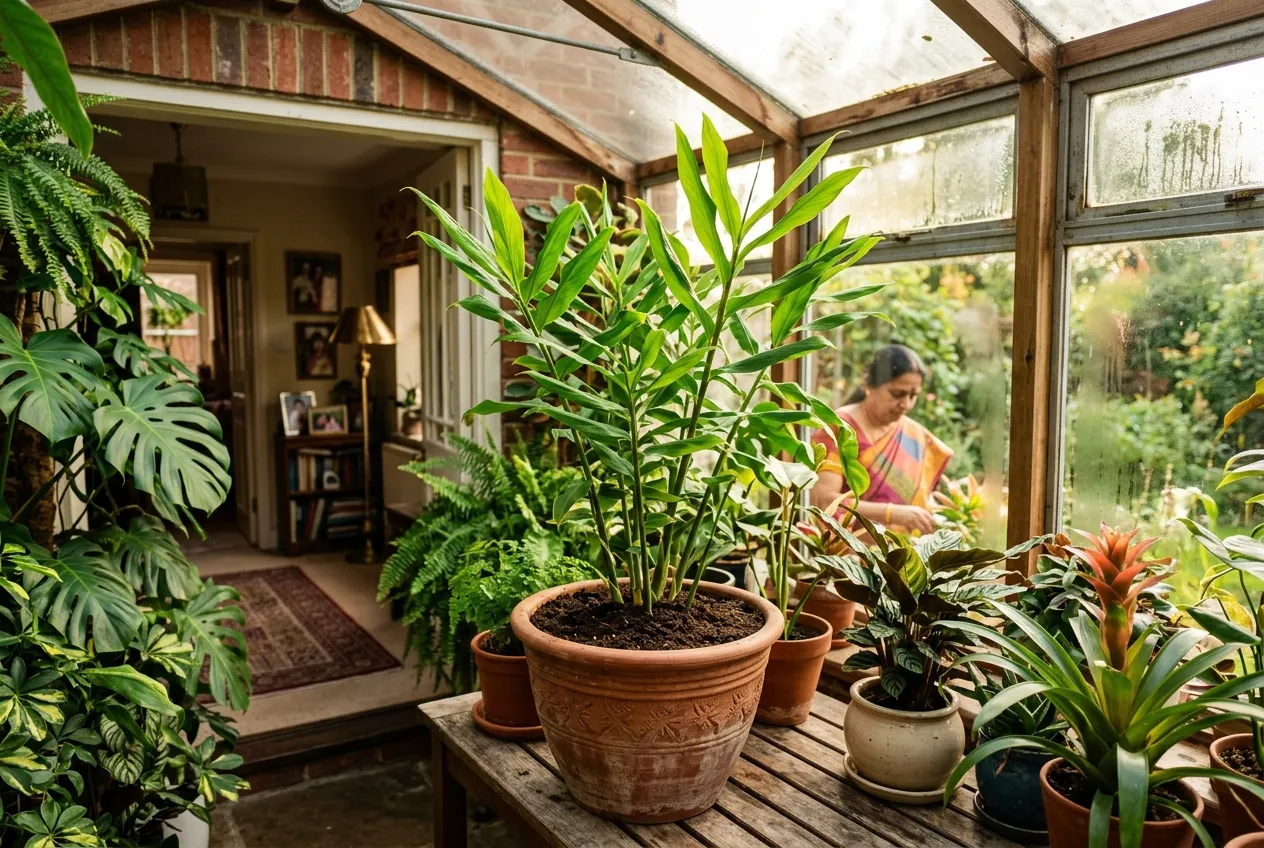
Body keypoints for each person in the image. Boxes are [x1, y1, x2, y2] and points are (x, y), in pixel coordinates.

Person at [810, 344, 952, 536]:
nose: (906, 404)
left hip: (902, 556)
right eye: (897, 394)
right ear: (869, 386)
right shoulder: (839, 427)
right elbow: (824, 501)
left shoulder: (913, 435)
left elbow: (922, 500)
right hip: (845, 556)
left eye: (913, 396)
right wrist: (892, 513)